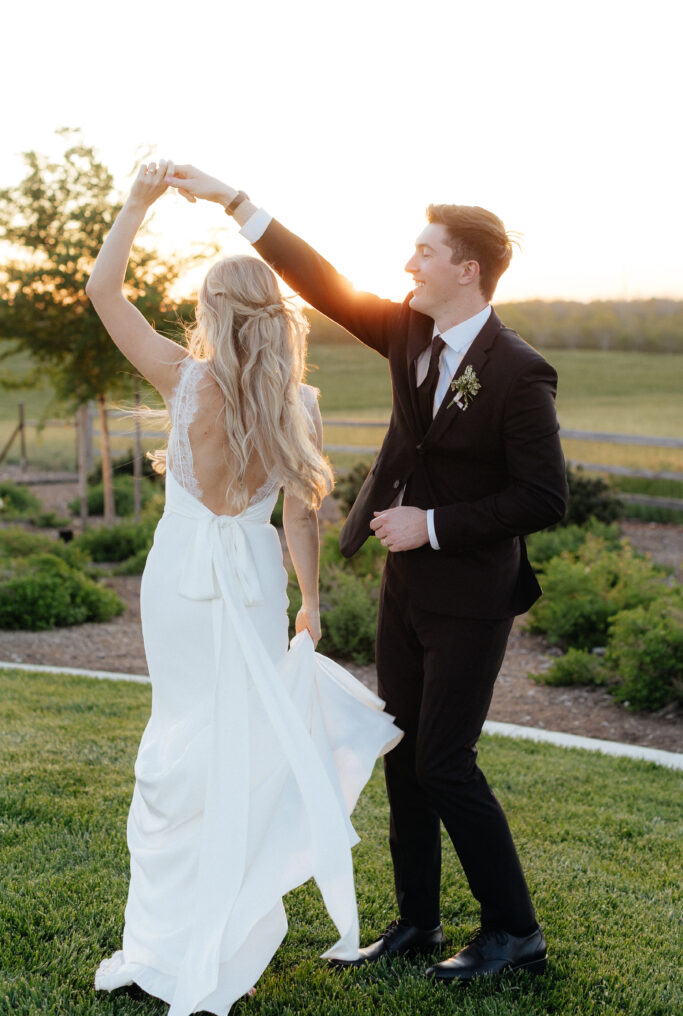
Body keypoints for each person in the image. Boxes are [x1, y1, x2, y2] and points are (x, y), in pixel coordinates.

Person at [164, 164, 569, 984]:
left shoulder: (519, 371)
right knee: (401, 753)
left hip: (470, 597)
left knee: (444, 762)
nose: (408, 265)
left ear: (468, 269)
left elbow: (543, 495)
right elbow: (319, 282)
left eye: (424, 252)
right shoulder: (411, 334)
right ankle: (416, 919)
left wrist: (435, 525)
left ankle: (514, 932)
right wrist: (235, 202)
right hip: (405, 589)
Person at [86, 160, 402, 1016]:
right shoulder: (298, 402)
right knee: (241, 743)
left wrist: (139, 201)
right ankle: (230, 922)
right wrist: (309, 599)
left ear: (207, 314)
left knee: (180, 742)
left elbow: (102, 290)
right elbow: (299, 519)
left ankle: (176, 930)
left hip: (182, 576)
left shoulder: (180, 379)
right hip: (256, 578)